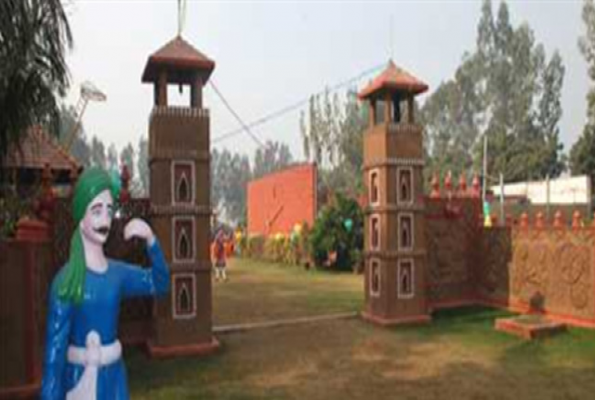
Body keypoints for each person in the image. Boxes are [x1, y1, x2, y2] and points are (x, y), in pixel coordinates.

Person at [40, 167, 170, 400]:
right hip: (79, 382)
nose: (105, 220)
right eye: (96, 211)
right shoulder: (66, 281)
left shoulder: (117, 274)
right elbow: (54, 355)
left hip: (115, 382)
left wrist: (151, 240)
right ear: (81, 216)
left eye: (109, 211)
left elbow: (160, 283)